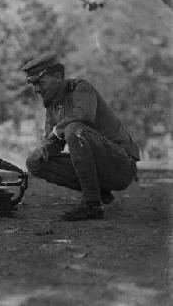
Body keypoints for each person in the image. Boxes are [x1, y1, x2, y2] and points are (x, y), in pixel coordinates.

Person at [22, 53, 140, 221]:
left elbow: (84, 114)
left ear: (57, 77)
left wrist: (57, 130)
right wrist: (44, 148)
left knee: (74, 129)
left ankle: (92, 204)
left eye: (40, 83)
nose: (37, 90)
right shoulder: (51, 104)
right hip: (101, 167)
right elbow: (52, 140)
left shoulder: (81, 88)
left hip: (121, 165)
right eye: (34, 85)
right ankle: (97, 193)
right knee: (34, 162)